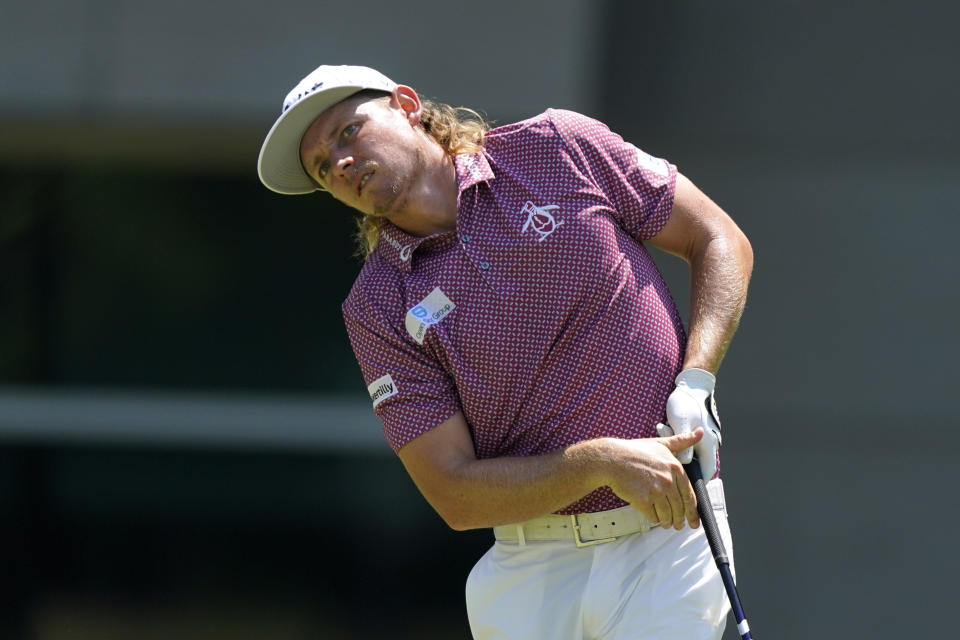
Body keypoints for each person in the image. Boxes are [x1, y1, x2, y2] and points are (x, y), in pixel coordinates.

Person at [258, 64, 753, 640]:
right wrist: (598, 462)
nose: (341, 164)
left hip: (666, 533)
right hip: (530, 570)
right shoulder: (377, 305)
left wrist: (697, 379)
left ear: (407, 104)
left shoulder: (558, 147)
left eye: (349, 131)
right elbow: (453, 492)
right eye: (323, 167)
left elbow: (717, 237)